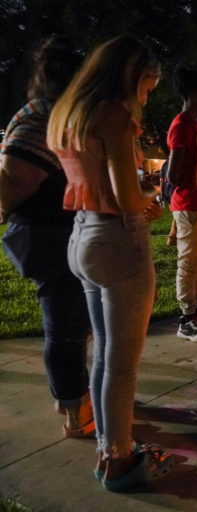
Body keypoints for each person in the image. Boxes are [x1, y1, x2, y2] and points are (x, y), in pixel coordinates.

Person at [47, 35, 173, 490]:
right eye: (146, 87)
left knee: (103, 353)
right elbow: (125, 196)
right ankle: (119, 460)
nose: (144, 98)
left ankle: (109, 446)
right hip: (119, 242)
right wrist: (152, 195)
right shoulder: (114, 116)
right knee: (122, 362)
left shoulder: (69, 114)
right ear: (131, 75)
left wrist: (136, 199)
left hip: (82, 236)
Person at [0, 37, 93, 438]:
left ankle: (78, 396)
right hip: (46, 234)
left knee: (78, 322)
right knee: (66, 326)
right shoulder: (41, 117)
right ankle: (75, 410)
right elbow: (12, 180)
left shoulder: (52, 113)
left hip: (59, 232)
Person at [166, 66, 197, 343]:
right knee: (188, 263)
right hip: (189, 205)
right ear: (196, 94)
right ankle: (186, 320)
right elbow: (174, 174)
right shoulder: (182, 124)